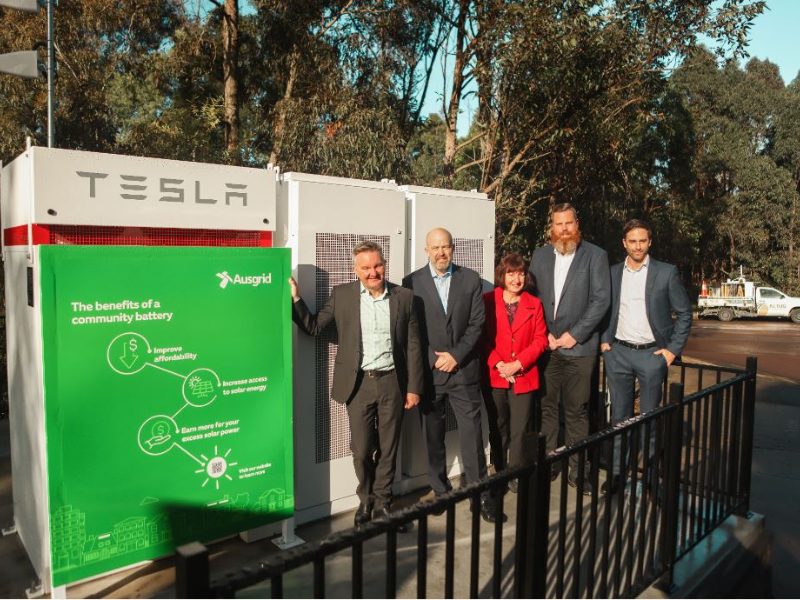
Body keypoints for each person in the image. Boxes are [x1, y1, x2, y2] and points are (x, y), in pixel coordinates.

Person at [289, 240, 423, 529]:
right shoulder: (342, 296)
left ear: (384, 264)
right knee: (362, 450)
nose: (372, 272)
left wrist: (414, 387)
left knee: (389, 448)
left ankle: (384, 502)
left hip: (393, 383)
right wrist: (295, 299)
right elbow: (313, 328)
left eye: (377, 265)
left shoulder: (405, 297)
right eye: (365, 268)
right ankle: (366, 499)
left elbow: (414, 346)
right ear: (355, 270)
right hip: (359, 384)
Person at [403, 227, 503, 523]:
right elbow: (412, 330)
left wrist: (456, 355)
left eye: (446, 246)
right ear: (426, 250)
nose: (441, 252)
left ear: (453, 248)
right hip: (431, 374)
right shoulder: (411, 283)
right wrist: (436, 357)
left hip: (463, 371)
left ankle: (479, 494)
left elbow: (476, 324)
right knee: (432, 437)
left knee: (473, 436)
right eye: (435, 247)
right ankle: (441, 491)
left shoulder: (471, 279)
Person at [600, 219, 692, 493]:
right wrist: (605, 343)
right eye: (632, 241)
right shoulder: (613, 273)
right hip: (618, 355)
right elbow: (604, 308)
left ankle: (650, 476)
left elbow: (685, 314)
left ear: (649, 242)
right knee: (620, 419)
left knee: (650, 420)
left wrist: (671, 352)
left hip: (652, 356)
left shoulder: (666, 273)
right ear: (624, 243)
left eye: (642, 240)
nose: (637, 245)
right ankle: (617, 474)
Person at [529, 203, 611, 495]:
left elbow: (601, 300)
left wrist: (573, 335)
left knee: (576, 412)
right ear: (551, 227)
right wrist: (544, 335)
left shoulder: (595, 256)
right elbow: (531, 298)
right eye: (558, 224)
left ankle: (579, 471)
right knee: (548, 409)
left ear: (577, 223)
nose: (563, 229)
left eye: (568, 223)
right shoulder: (539, 256)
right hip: (547, 348)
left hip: (580, 349)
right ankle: (550, 463)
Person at [481, 254, 549, 492]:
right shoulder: (487, 300)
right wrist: (500, 364)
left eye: (520, 273)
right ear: (502, 274)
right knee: (497, 426)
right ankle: (499, 471)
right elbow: (481, 337)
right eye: (511, 273)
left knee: (519, 429)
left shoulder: (534, 303)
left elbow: (541, 340)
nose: (516, 279)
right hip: (495, 375)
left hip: (523, 375)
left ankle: (516, 472)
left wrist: (518, 364)